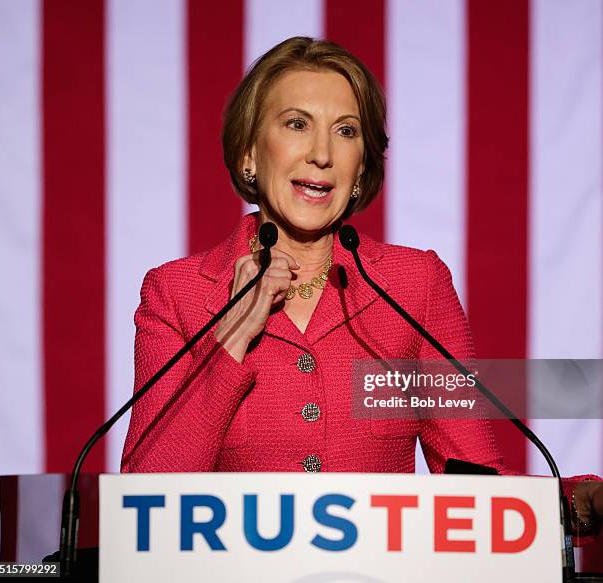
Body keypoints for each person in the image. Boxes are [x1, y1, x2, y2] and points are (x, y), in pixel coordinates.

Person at [121, 36, 602, 537]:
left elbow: (473, 484)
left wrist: (579, 501)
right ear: (249, 152)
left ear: (361, 169)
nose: (322, 154)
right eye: (296, 124)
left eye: (346, 131)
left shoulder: (415, 287)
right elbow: (145, 498)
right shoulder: (176, 293)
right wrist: (232, 338)